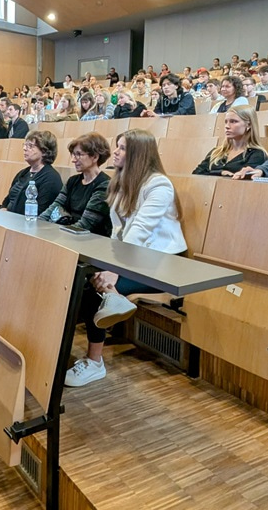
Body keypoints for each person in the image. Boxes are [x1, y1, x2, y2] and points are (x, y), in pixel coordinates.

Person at [65, 130, 186, 387]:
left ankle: (95, 362)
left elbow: (139, 231)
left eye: (122, 148)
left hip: (165, 263)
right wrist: (108, 266)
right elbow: (120, 232)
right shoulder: (120, 182)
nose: (116, 152)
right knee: (82, 274)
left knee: (92, 290)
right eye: (117, 147)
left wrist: (113, 271)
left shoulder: (159, 185)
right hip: (135, 257)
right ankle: (112, 298)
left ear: (139, 154)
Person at [40, 132, 112, 236]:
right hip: (69, 235)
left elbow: (85, 224)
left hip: (91, 242)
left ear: (95, 157)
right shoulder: (72, 181)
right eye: (73, 154)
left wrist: (57, 235)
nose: (73, 160)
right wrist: (37, 224)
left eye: (79, 154)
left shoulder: (104, 185)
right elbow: (55, 206)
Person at [193, 106, 268, 176]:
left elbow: (245, 178)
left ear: (248, 125)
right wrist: (221, 172)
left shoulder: (257, 154)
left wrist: (212, 173)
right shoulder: (217, 152)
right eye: (226, 122)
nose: (227, 126)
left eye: (233, 121)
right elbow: (196, 174)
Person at [0, 131, 62, 215]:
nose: (25, 148)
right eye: (25, 145)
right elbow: (6, 202)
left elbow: (41, 212)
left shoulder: (51, 178)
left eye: (30, 146)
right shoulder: (23, 173)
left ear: (44, 151)